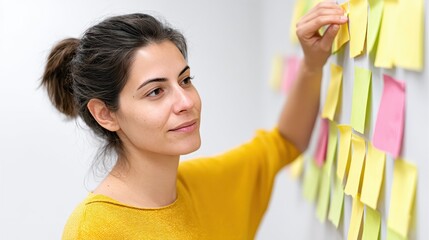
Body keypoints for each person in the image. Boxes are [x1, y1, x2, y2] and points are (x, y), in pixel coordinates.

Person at [41, 2, 347, 239]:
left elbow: (286, 142)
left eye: (185, 80)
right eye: (156, 91)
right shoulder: (93, 230)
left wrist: (312, 64)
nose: (186, 102)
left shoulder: (209, 185)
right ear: (105, 114)